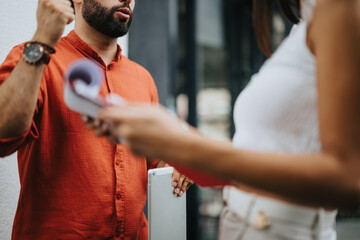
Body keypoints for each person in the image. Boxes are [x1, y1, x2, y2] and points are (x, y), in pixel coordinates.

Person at [91, 0, 360, 239]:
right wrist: (180, 152)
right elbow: (264, 154)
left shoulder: (336, 7)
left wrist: (188, 146)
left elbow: (349, 178)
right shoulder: (304, 23)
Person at [0, 0, 192, 239]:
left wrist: (180, 167)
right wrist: (40, 40)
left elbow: (155, 164)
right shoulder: (34, 59)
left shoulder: (143, 79)